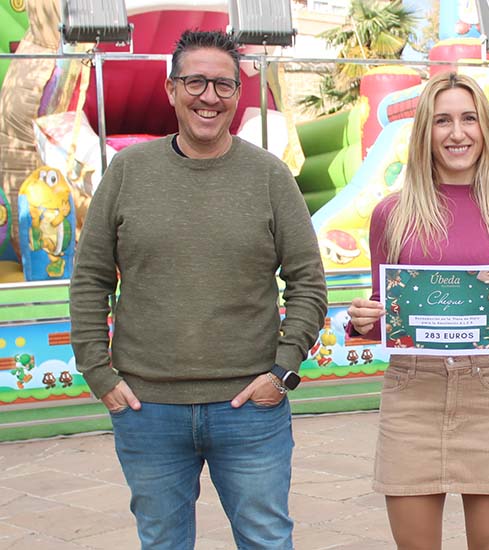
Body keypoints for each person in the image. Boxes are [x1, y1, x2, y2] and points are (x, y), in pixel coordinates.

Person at [69, 30, 328, 549]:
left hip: (251, 407)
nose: (209, 96)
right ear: (170, 89)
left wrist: (282, 371)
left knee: (266, 540)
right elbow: (91, 278)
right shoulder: (127, 171)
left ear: (237, 94)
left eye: (224, 85)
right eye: (195, 82)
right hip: (147, 408)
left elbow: (308, 283)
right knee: (162, 542)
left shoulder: (270, 176)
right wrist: (98, 373)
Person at [345, 71, 489, 550]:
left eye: (468, 119)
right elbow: (384, 317)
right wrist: (362, 320)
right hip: (412, 393)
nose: (456, 133)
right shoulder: (391, 215)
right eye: (442, 121)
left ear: (485, 129)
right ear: (425, 131)